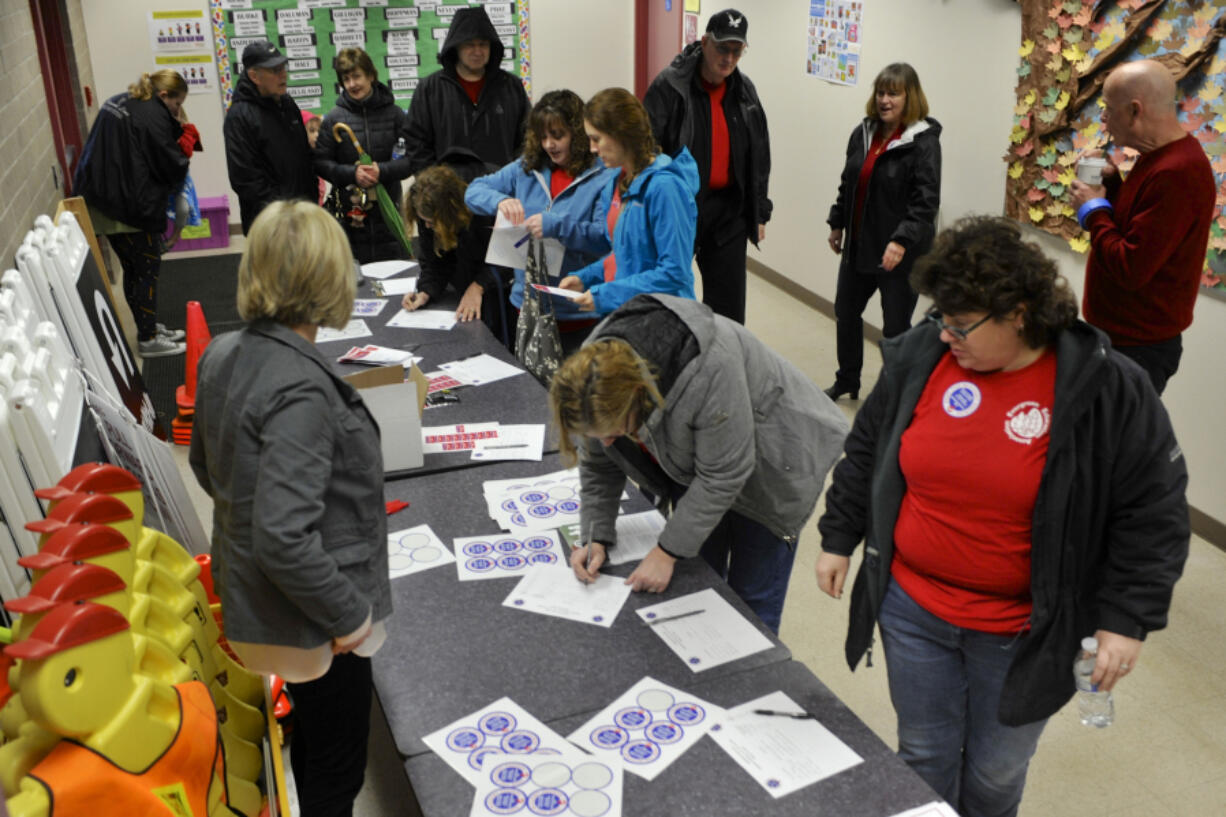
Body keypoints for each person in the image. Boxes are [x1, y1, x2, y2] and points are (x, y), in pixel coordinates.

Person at [815, 216, 1188, 817]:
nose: (945, 336)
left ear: (1017, 312)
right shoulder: (922, 358)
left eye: (961, 325)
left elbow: (1154, 510)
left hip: (1024, 630)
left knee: (994, 773)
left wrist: (1126, 618)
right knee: (923, 755)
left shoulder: (1106, 386)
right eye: (941, 319)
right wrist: (839, 535)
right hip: (913, 609)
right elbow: (869, 448)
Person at [189, 200, 391, 817]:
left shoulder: (224, 353)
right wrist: (351, 618)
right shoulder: (301, 385)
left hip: (260, 605)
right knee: (338, 767)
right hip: (313, 619)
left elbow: (206, 466)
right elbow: (284, 537)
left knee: (312, 742)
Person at [553, 294, 850, 634]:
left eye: (615, 431)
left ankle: (751, 681)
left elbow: (723, 475)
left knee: (751, 599)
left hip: (775, 459)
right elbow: (600, 461)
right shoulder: (592, 376)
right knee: (700, 579)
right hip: (701, 455)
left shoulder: (708, 369)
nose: (606, 442)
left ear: (639, 396)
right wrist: (595, 536)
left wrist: (666, 552)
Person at [1070, 59, 1215, 395]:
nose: (1103, 119)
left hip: (1135, 348)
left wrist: (1092, 209)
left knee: (1107, 446)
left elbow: (1130, 266)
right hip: (1121, 338)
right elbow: (1140, 225)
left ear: (1135, 111)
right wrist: (1114, 185)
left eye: (1108, 109)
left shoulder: (1177, 172)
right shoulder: (1161, 158)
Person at [643, 8, 772, 324]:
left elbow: (760, 155)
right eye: (722, 48)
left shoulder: (745, 92)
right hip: (681, 207)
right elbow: (645, 148)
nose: (728, 58)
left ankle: (720, 366)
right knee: (667, 295)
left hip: (729, 210)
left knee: (729, 309)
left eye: (736, 50)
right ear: (704, 42)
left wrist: (760, 210)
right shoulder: (671, 86)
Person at [465, 89, 618, 353]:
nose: (549, 145)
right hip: (527, 307)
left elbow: (603, 239)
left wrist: (556, 227)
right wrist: (500, 201)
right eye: (543, 137)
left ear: (578, 134)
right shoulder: (526, 168)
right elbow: (473, 191)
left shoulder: (603, 175)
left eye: (558, 136)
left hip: (578, 314)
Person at [824, 62, 941, 401]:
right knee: (846, 312)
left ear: (910, 97)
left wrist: (901, 241)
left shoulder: (923, 142)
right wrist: (837, 222)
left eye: (894, 93)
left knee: (895, 329)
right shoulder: (863, 132)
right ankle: (847, 379)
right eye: (881, 92)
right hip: (860, 246)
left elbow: (925, 202)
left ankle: (894, 397)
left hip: (899, 255)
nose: (885, 100)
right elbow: (849, 182)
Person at [73, 69, 197, 358]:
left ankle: (149, 326)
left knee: (134, 269)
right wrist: (182, 146)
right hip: (125, 208)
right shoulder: (152, 115)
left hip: (102, 199)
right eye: (177, 105)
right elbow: (172, 164)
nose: (178, 112)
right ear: (164, 95)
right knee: (145, 271)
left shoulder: (122, 101)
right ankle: (149, 339)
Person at [558, 89, 700, 316]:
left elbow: (674, 273)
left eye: (596, 139)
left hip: (665, 315)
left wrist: (606, 294)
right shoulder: (616, 181)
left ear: (622, 134)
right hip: (632, 310)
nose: (592, 148)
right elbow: (626, 255)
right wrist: (586, 277)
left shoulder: (665, 188)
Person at [404, 6, 531, 182]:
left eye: (483, 44)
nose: (477, 51)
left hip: (502, 192)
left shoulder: (511, 86)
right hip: (448, 194)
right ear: (456, 47)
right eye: (470, 44)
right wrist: (434, 182)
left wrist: (515, 178)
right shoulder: (430, 90)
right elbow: (416, 143)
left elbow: (528, 137)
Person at [314, 48, 412, 263]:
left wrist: (383, 171)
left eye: (357, 76)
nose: (352, 84)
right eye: (346, 79)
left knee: (394, 268)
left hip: (389, 209)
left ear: (371, 75)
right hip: (351, 212)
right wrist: (352, 173)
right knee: (354, 273)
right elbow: (321, 163)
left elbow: (412, 159)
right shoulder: (333, 119)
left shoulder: (395, 115)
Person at [223, 41, 317, 234]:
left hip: (303, 216)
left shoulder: (287, 104)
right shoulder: (239, 117)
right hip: (271, 225)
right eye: (274, 70)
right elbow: (245, 180)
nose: (283, 74)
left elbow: (303, 158)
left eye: (283, 67)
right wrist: (284, 214)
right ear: (254, 76)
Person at [401, 166, 501, 332]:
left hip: (498, 289)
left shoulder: (483, 211)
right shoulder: (427, 213)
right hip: (463, 286)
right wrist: (425, 291)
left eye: (432, 223)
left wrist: (478, 286)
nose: (427, 226)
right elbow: (434, 262)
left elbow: (505, 260)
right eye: (424, 221)